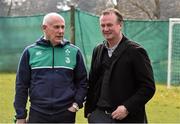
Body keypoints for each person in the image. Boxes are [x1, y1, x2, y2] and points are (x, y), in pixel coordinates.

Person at [84, 8, 156, 123]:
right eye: (102, 26)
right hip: (99, 117)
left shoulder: (136, 51)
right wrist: (89, 112)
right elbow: (92, 83)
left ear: (120, 25)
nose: (106, 29)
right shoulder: (97, 50)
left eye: (109, 25)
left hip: (128, 118)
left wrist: (127, 108)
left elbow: (148, 87)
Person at [14, 12, 87, 123]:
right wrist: (20, 116)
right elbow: (21, 86)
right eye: (56, 27)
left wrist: (76, 105)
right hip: (37, 113)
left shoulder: (74, 52)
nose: (61, 31)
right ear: (44, 28)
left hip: (66, 114)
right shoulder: (30, 52)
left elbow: (83, 83)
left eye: (63, 27)